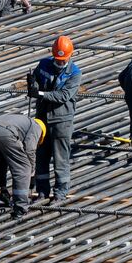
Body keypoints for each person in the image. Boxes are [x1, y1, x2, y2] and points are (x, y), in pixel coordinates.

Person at [27, 36, 81, 204]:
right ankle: (42, 191)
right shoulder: (43, 65)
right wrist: (32, 84)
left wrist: (41, 94)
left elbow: (63, 96)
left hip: (62, 121)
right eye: (57, 60)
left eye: (63, 60)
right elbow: (36, 79)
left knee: (60, 158)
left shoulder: (74, 73)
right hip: (42, 118)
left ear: (70, 57)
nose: (59, 63)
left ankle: (60, 192)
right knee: (41, 156)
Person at [0, 113, 47, 219]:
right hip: (5, 132)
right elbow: (30, 150)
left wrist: (3, 188)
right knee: (23, 168)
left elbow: (3, 165)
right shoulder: (37, 127)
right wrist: (32, 174)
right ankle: (21, 208)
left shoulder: (20, 121)